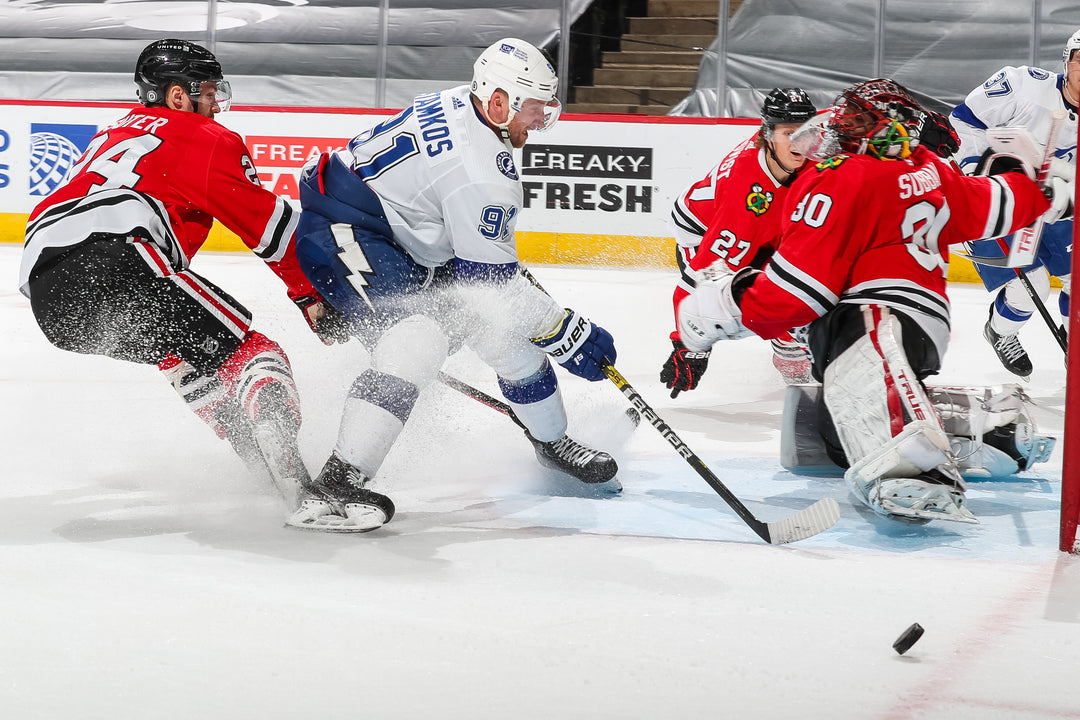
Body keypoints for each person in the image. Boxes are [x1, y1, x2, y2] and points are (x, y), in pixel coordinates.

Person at [673, 78, 1071, 524]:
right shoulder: (930, 170)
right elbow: (991, 204)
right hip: (926, 319)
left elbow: (797, 293)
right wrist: (1032, 184)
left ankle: (920, 470)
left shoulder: (840, 178)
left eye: (854, 121)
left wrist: (720, 312)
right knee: (826, 428)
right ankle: (986, 428)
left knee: (875, 399)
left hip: (871, 315)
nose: (842, 128)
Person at [289, 38, 620, 532]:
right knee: (415, 341)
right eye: (534, 108)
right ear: (499, 100)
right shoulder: (483, 171)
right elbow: (487, 283)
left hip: (402, 238)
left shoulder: (466, 101)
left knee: (502, 335)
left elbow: (479, 269)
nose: (541, 120)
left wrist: (534, 316)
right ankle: (337, 483)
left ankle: (552, 442)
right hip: (346, 229)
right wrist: (566, 331)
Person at [19, 39, 346, 506]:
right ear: (178, 95)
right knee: (252, 354)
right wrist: (315, 296)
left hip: (49, 298)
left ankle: (264, 469)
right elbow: (270, 229)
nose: (216, 103)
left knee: (185, 357)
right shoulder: (207, 139)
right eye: (208, 92)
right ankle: (298, 486)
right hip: (118, 258)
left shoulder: (111, 132)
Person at [661, 88, 818, 396]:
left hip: (768, 232)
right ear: (769, 133)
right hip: (705, 231)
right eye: (789, 132)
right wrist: (689, 346)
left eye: (806, 131)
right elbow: (700, 278)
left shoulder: (812, 154)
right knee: (776, 307)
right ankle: (798, 374)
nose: (800, 141)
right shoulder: (747, 197)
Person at [949, 29, 1080, 378]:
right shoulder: (1023, 87)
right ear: (1066, 63)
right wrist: (976, 172)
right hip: (996, 198)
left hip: (1054, 202)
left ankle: (1076, 341)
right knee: (1029, 287)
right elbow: (963, 120)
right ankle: (1001, 332)